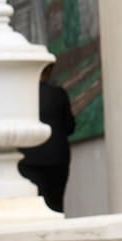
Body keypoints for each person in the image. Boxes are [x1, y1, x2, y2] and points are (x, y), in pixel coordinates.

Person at [18, 76, 78, 214]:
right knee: (55, 204)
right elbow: (69, 126)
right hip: (56, 157)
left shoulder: (20, 95)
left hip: (28, 157)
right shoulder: (58, 93)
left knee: (32, 205)